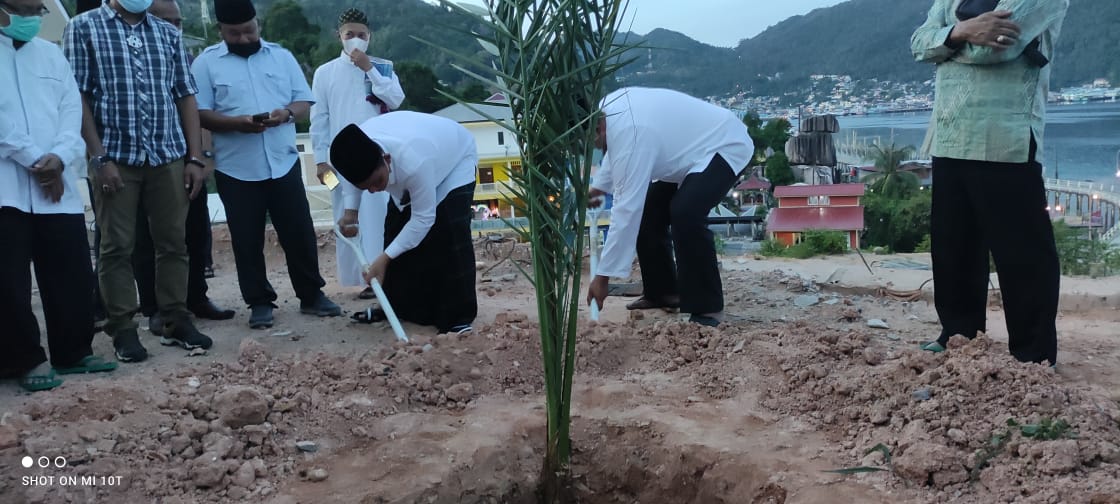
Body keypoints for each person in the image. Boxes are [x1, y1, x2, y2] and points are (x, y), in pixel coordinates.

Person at [911, 0, 1068, 365]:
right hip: (950, 134)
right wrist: (962, 31)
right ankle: (958, 334)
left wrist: (945, 44)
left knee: (1023, 254)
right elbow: (919, 44)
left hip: (1006, 137)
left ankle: (1033, 354)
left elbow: (997, 49)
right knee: (953, 247)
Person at [64, 0, 213, 362]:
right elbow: (77, 96)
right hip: (116, 156)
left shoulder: (165, 32)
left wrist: (194, 157)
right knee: (116, 247)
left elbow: (185, 94)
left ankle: (175, 319)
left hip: (167, 154)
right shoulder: (84, 28)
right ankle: (123, 327)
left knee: (173, 242)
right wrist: (98, 157)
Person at [192, 0, 341, 330]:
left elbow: (303, 102)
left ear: (257, 24)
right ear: (221, 31)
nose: (244, 38)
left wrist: (286, 114)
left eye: (249, 31)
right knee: (246, 239)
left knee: (299, 232)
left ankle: (312, 295)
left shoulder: (281, 56)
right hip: (236, 168)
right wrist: (237, 123)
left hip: (282, 161)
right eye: (235, 33)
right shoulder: (206, 64)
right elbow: (199, 112)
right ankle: (259, 303)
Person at [2, 0, 118, 391]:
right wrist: (36, 159)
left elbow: (72, 110)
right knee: (8, 279)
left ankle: (72, 351)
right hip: (8, 183)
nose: (36, 14)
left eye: (40, 11)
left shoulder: (50, 55)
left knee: (70, 269)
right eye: (31, 8)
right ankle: (24, 359)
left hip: (57, 182)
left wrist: (61, 156)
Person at [584, 87, 754, 327]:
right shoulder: (608, 114)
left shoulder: (630, 130)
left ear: (598, 128)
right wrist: (599, 188)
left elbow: (625, 209)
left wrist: (602, 277)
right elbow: (618, 152)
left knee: (686, 213)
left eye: (593, 143)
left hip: (724, 144)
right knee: (650, 211)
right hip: (688, 153)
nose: (595, 149)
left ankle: (708, 308)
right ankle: (664, 292)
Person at [131, 0, 233, 336]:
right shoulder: (134, 57)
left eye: (178, 21)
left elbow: (197, 109)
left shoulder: (184, 58)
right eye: (168, 21)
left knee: (194, 233)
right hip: (145, 162)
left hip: (186, 159)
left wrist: (200, 156)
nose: (176, 28)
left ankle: (196, 298)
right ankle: (155, 308)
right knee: (149, 240)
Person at [329, 113, 478, 334]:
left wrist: (384, 258)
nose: (374, 190)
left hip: (455, 161)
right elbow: (354, 182)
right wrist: (351, 213)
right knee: (395, 230)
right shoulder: (356, 149)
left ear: (386, 159)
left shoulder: (415, 160)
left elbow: (423, 218)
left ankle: (457, 316)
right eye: (366, 186)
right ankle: (396, 307)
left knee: (448, 231)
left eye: (377, 182)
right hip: (416, 164)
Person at [310, 7, 404, 300]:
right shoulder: (324, 73)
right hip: (337, 161)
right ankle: (359, 276)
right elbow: (319, 119)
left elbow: (396, 100)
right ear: (338, 36)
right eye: (350, 34)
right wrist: (320, 159)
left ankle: (382, 276)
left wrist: (369, 69)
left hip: (379, 159)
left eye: (361, 35)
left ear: (370, 37)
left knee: (379, 217)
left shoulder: (382, 67)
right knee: (346, 214)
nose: (356, 40)